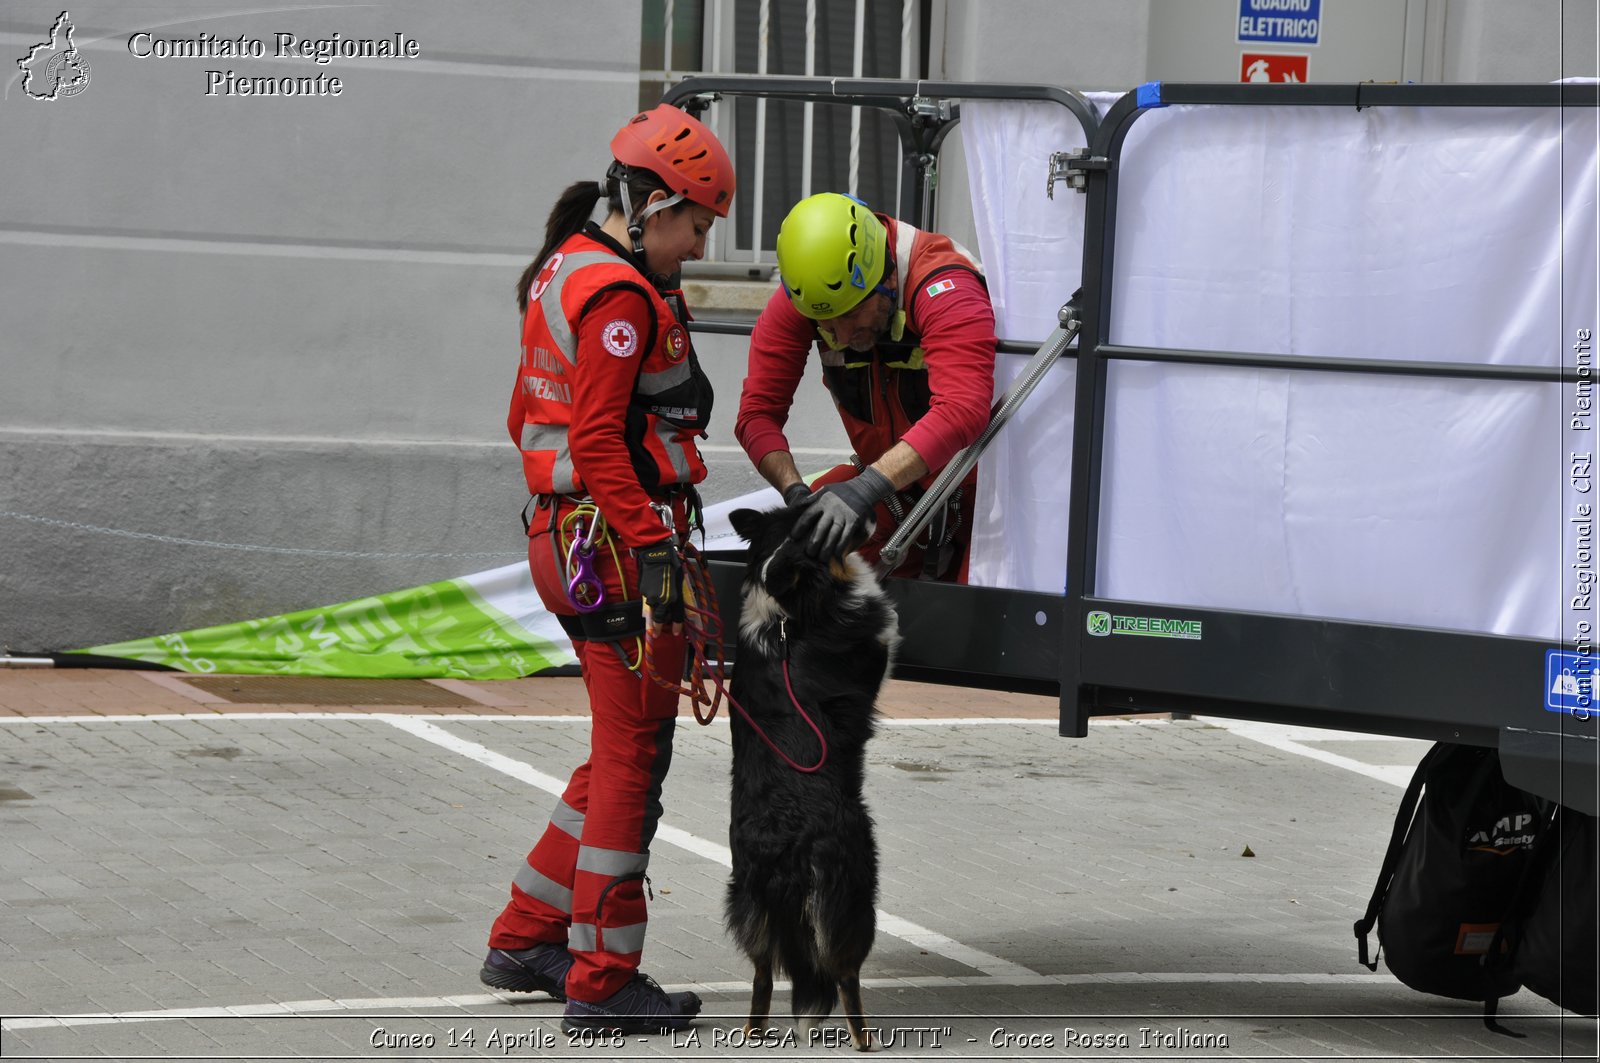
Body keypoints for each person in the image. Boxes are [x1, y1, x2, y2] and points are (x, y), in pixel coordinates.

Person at [480, 103, 734, 1036]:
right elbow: (596, 436)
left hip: (575, 539)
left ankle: (526, 934)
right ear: (655, 203)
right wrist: (657, 548)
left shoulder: (567, 266)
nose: (701, 246)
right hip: (615, 549)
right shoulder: (621, 297)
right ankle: (601, 977)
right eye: (697, 223)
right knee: (636, 760)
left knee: (619, 748)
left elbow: (529, 421)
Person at [734, 192, 997, 581]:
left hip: (986, 500)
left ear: (888, 277)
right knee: (803, 546)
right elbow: (757, 414)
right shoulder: (812, 295)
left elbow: (962, 408)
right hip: (896, 492)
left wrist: (866, 487)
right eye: (827, 325)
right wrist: (795, 493)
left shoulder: (945, 284)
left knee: (984, 618)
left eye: (853, 313)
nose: (842, 333)